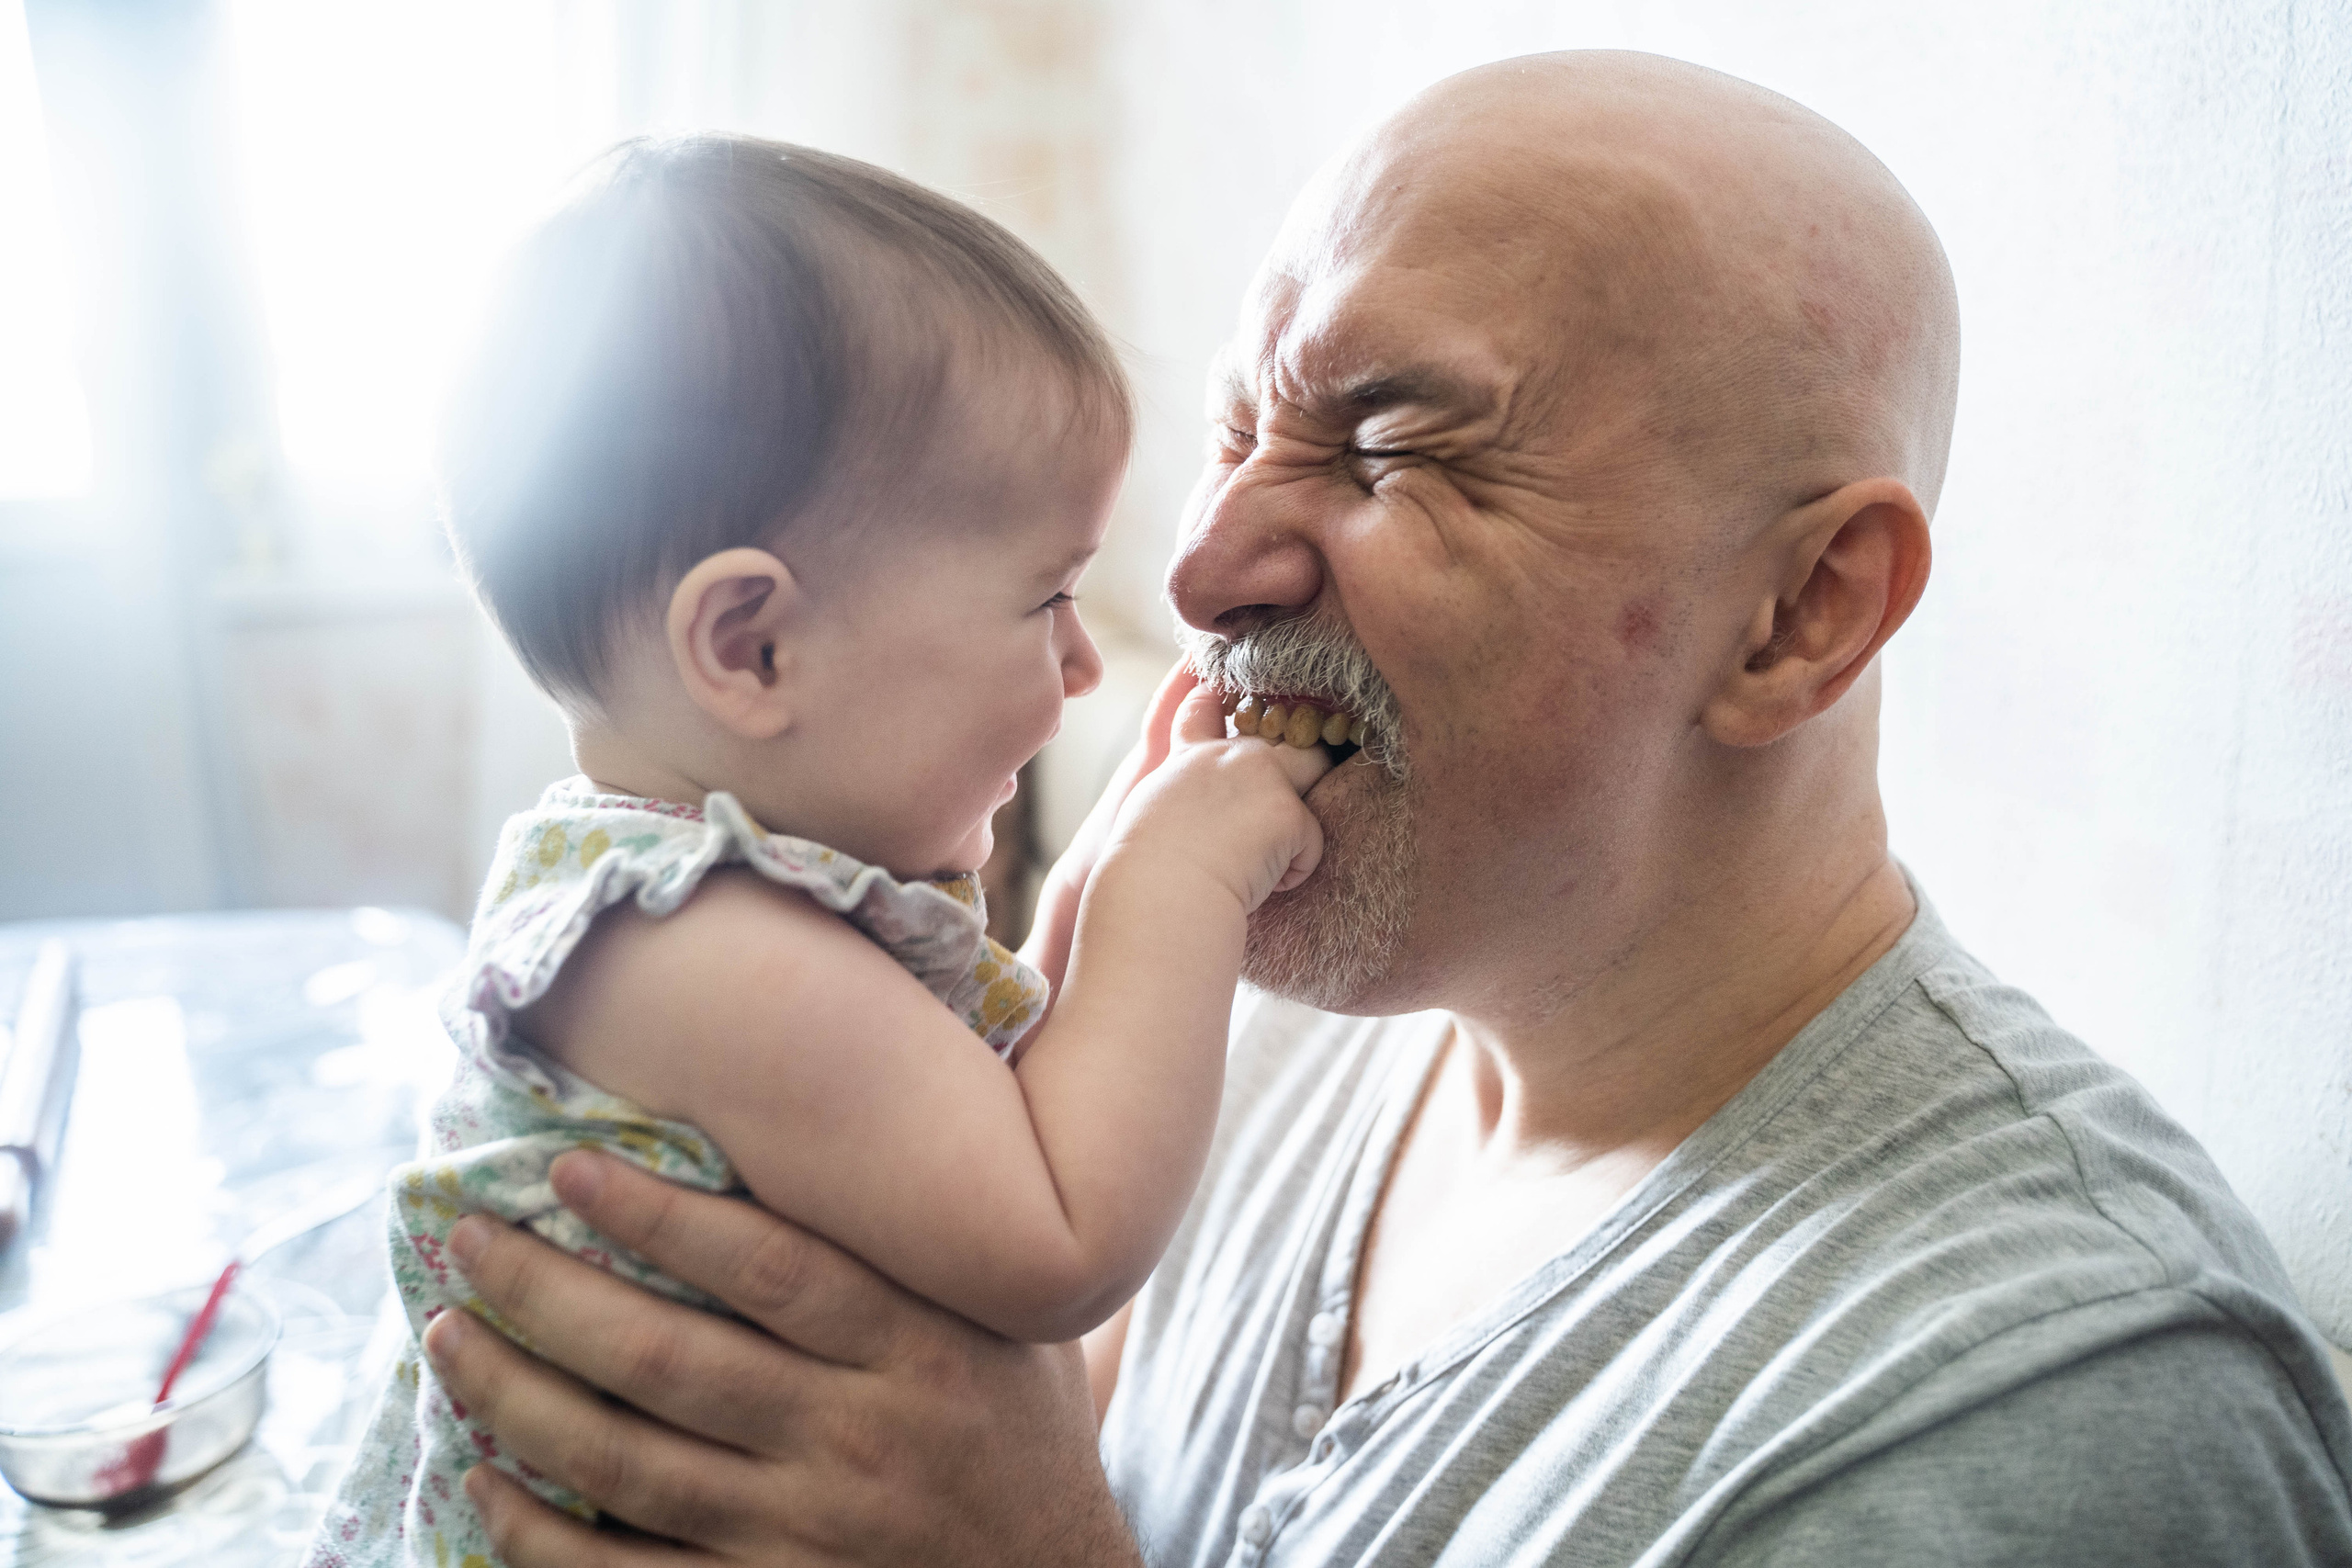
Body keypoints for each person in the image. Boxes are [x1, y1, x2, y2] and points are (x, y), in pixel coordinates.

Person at [413, 52, 2352, 1567]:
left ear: (1797, 613)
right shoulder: (1252, 1014)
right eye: (1236, 429)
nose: (1202, 565)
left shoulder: (2039, 1407)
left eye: (1391, 444)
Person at [304, 134, 1343, 1568]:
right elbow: (1058, 1237)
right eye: (1045, 597)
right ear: (754, 645)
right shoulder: (696, 952)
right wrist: (1184, 882)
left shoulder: (693, 901)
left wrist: (1109, 854)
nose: (1084, 664)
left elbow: (982, 1090)